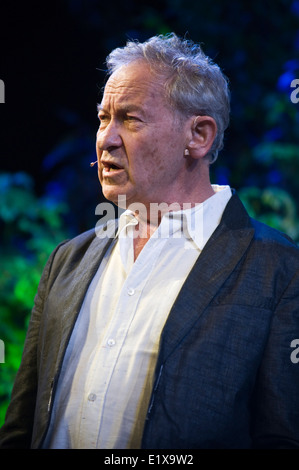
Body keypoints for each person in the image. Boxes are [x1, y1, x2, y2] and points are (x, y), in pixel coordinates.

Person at [0, 33, 299, 450]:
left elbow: (282, 437)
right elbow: (20, 427)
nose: (106, 139)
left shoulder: (279, 270)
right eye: (104, 118)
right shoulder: (67, 262)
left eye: (130, 119)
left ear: (199, 136)